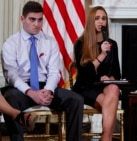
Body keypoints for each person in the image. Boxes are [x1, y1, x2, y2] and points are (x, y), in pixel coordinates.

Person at [1, 1, 83, 141]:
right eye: (32, 19)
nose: (37, 24)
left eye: (40, 20)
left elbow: (54, 72)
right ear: (22, 19)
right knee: (10, 99)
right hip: (21, 89)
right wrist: (31, 92)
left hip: (45, 87)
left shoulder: (50, 41)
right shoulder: (11, 43)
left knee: (76, 100)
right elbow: (12, 76)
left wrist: (48, 90)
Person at [72, 6, 121, 141]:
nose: (101, 22)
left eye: (104, 18)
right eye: (97, 18)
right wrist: (102, 54)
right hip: (85, 87)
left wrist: (110, 78)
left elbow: (117, 72)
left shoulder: (112, 44)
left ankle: (105, 137)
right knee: (110, 102)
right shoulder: (80, 44)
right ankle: (107, 138)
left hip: (104, 86)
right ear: (91, 22)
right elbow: (84, 75)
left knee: (114, 87)